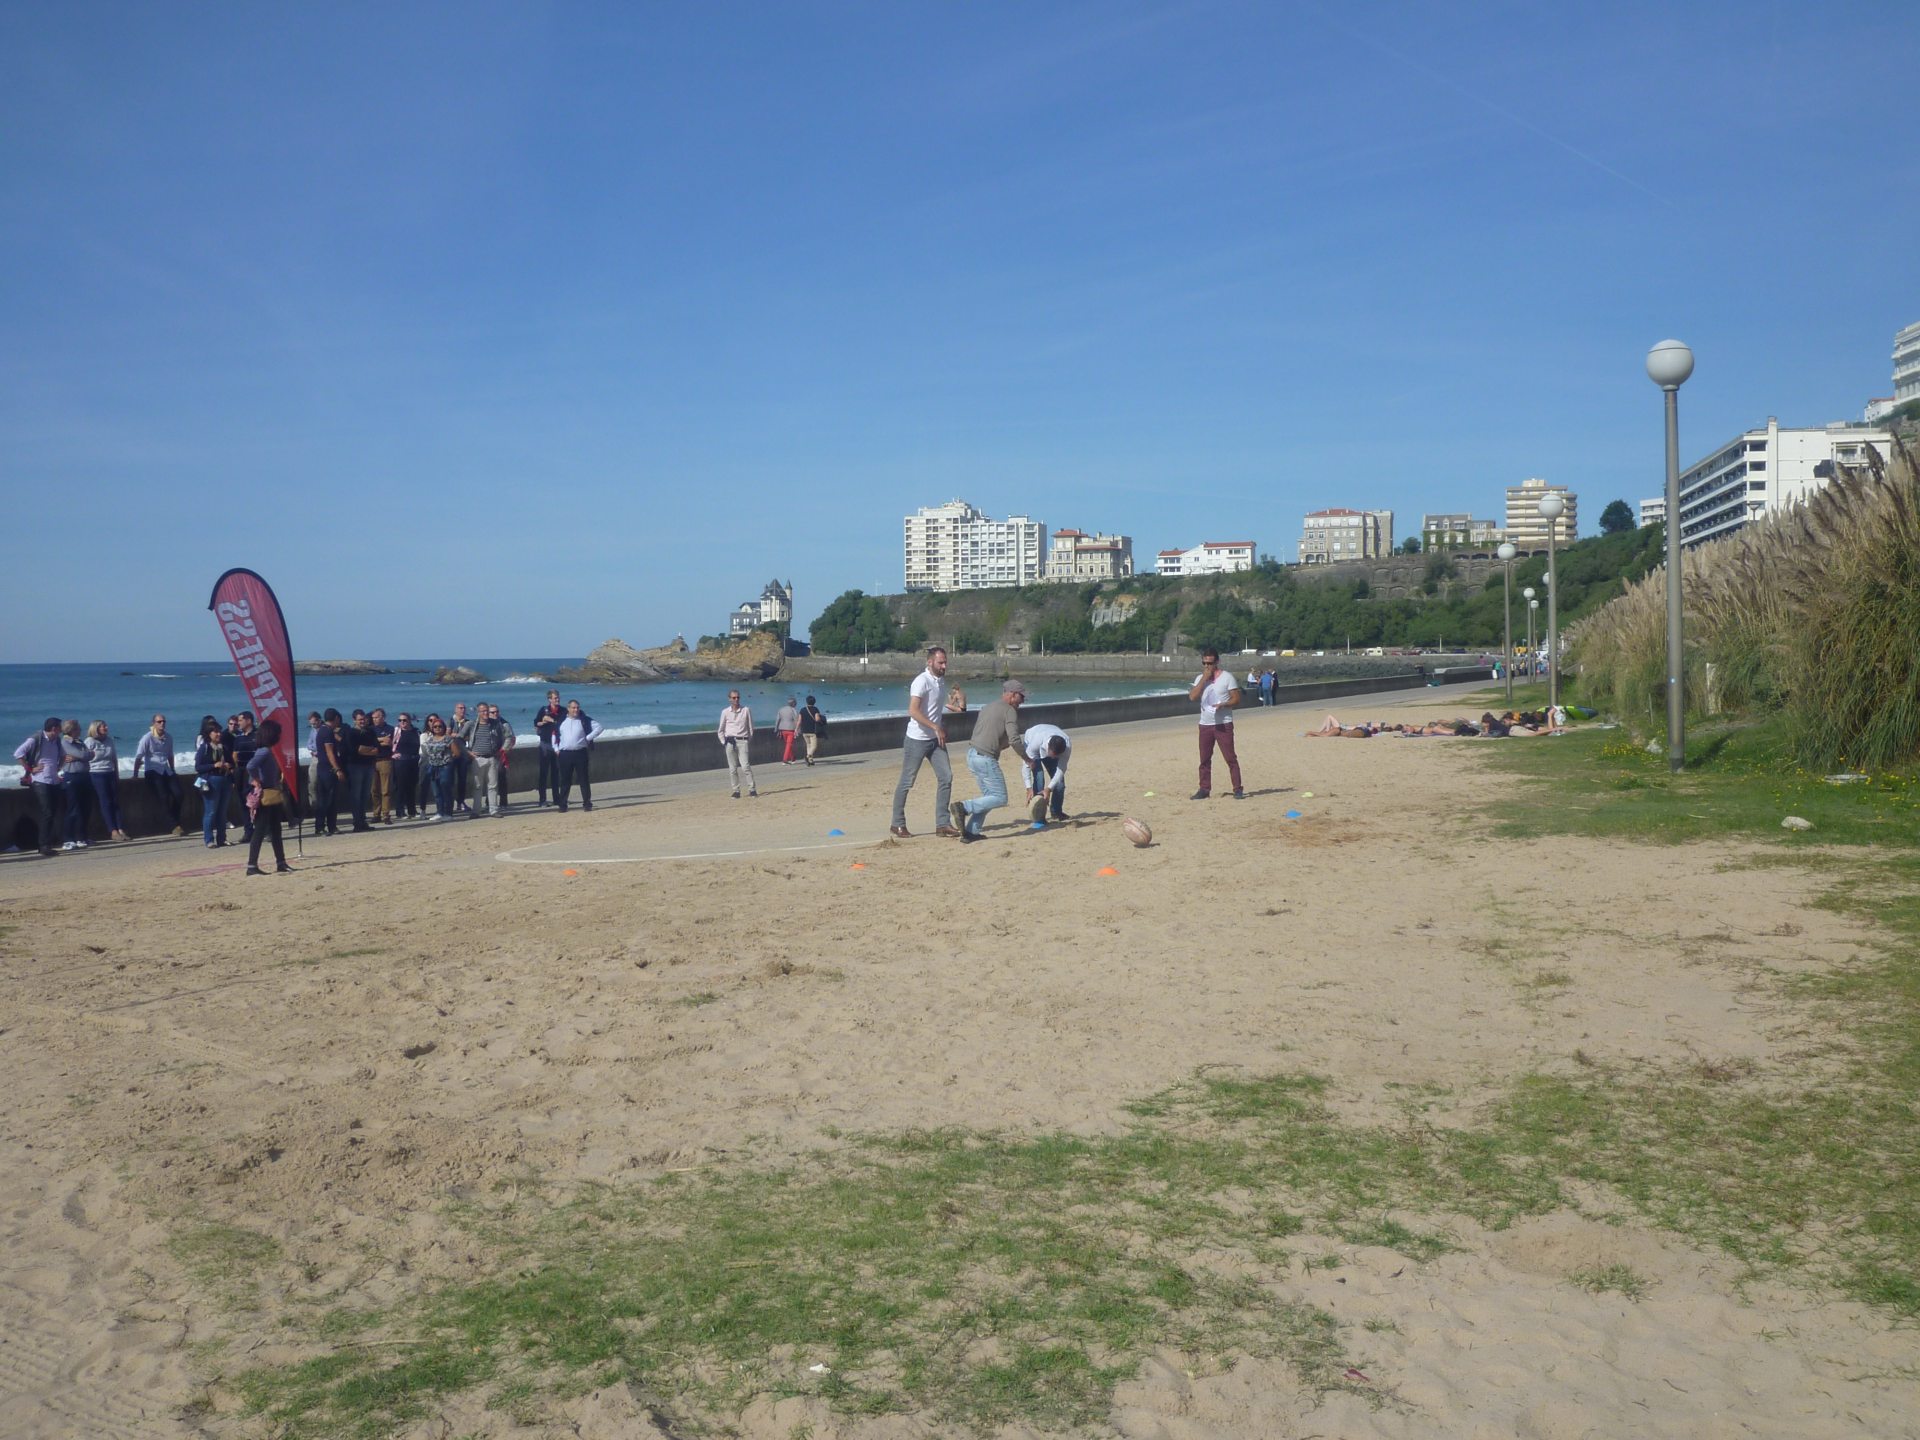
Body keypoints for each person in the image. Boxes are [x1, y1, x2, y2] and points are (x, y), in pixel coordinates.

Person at [890, 646, 964, 839]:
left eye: (945, 662)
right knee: (907, 782)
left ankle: (943, 823)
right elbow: (913, 711)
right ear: (930, 662)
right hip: (917, 739)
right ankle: (897, 823)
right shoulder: (921, 681)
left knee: (946, 777)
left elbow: (936, 706)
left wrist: (953, 712)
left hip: (935, 740)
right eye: (940, 662)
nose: (944, 666)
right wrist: (935, 726)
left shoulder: (940, 681)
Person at [950, 677, 1026, 843]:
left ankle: (971, 832)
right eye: (1022, 696)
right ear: (1012, 695)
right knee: (1000, 797)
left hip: (971, 755)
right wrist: (1028, 759)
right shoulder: (1010, 711)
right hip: (985, 758)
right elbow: (1014, 740)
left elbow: (991, 735)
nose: (1023, 700)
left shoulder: (987, 707)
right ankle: (963, 807)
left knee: (987, 798)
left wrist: (999, 746)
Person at [1189, 648, 1245, 800]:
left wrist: (1224, 704)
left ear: (1217, 662)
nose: (1207, 666)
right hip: (1205, 724)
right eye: (1204, 663)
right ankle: (1204, 789)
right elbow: (1193, 696)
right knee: (1204, 759)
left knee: (1230, 758)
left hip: (1223, 723)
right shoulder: (1200, 678)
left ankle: (1237, 789)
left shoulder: (1227, 677)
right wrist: (1203, 679)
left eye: (1210, 663)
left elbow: (1236, 699)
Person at [243, 718, 294, 875]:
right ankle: (252, 865)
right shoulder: (264, 751)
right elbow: (250, 766)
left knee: (276, 830)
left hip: (272, 792)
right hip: (266, 794)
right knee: (260, 830)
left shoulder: (269, 750)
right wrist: (257, 780)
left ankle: (281, 862)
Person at [15, 717, 66, 857]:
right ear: (54, 728)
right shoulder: (36, 738)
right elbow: (18, 753)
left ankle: (46, 843)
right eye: (59, 727)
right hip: (40, 779)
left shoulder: (57, 740)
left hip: (54, 779)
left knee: (53, 812)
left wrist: (58, 767)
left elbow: (63, 755)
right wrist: (31, 769)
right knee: (47, 812)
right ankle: (43, 845)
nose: (61, 730)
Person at [132, 713, 183, 836]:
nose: (162, 724)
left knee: (179, 794)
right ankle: (173, 825)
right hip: (152, 770)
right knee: (163, 797)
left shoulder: (168, 737)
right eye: (159, 722)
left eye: (163, 721)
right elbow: (139, 757)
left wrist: (173, 770)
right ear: (154, 723)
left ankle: (175, 820)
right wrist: (135, 774)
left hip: (166, 769)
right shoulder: (147, 738)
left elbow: (170, 755)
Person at [553, 700, 603, 812]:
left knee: (583, 779)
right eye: (573, 708)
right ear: (568, 708)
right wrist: (556, 749)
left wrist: (587, 738)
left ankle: (587, 803)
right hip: (565, 754)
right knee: (565, 780)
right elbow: (554, 734)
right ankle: (562, 805)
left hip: (580, 753)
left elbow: (599, 728)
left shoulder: (584, 719)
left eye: (577, 708)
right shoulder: (561, 720)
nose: (576, 710)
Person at [193, 714, 235, 848]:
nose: (218, 734)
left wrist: (229, 766)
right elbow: (198, 767)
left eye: (219, 731)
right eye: (215, 732)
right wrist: (213, 765)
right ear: (209, 734)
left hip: (225, 779)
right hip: (211, 781)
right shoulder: (205, 748)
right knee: (211, 811)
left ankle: (222, 838)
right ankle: (209, 839)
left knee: (222, 812)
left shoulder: (224, 748)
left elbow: (232, 763)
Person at [1021, 722, 1071, 824]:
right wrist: (1028, 788)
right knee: (1039, 778)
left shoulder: (1067, 747)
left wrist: (1048, 789)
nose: (1053, 758)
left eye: (1056, 756)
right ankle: (1038, 817)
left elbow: (1061, 769)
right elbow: (1026, 765)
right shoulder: (1036, 742)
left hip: (1049, 738)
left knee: (1060, 784)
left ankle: (1056, 812)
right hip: (1031, 739)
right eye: (1052, 755)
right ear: (1048, 747)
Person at [86, 721, 128, 840]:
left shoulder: (109, 740)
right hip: (96, 774)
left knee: (115, 801)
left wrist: (116, 774)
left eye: (106, 726)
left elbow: (114, 758)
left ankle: (120, 829)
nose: (106, 728)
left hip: (110, 772)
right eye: (103, 726)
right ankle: (113, 831)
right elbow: (85, 758)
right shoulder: (89, 742)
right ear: (96, 728)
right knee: (106, 802)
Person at [466, 703, 509, 816]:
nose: (485, 713)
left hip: (492, 758)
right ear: (478, 712)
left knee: (493, 786)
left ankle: (493, 810)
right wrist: (468, 752)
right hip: (478, 759)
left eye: (486, 711)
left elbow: (508, 736)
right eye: (483, 711)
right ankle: (476, 811)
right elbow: (459, 739)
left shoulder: (496, 724)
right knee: (477, 786)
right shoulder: (471, 725)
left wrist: (502, 750)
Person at [59, 719, 94, 850]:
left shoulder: (80, 742)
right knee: (73, 809)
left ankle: (82, 837)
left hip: (85, 776)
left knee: (86, 808)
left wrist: (84, 755)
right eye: (78, 728)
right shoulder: (64, 742)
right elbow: (82, 754)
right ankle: (68, 839)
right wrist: (84, 755)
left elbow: (90, 755)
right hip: (72, 777)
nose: (80, 730)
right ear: (72, 730)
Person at [419, 713, 460, 819]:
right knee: (436, 791)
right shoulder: (429, 740)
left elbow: (456, 753)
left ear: (443, 727)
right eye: (435, 727)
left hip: (445, 767)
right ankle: (439, 812)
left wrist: (448, 760)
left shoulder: (448, 739)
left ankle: (448, 813)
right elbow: (426, 753)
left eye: (440, 726)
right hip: (433, 767)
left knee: (446, 788)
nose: (437, 728)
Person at [717, 690, 757, 799]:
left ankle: (752, 789)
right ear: (729, 699)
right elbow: (720, 730)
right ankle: (736, 790)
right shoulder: (725, 712)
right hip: (730, 741)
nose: (736, 700)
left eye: (738, 697)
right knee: (732, 769)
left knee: (745, 766)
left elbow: (751, 727)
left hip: (743, 740)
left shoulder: (746, 710)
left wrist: (748, 739)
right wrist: (723, 742)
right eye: (734, 698)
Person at [342, 708, 377, 832]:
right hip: (355, 766)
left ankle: (362, 822)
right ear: (354, 720)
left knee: (365, 795)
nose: (363, 721)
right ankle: (357, 823)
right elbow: (355, 750)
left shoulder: (370, 732)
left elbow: (377, 749)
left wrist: (365, 750)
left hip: (368, 766)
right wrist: (368, 750)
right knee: (356, 796)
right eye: (360, 719)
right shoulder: (350, 733)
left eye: (364, 719)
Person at [312, 708, 345, 836]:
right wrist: (337, 769)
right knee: (327, 799)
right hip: (328, 769)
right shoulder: (327, 732)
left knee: (327, 799)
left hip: (323, 768)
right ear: (336, 718)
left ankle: (330, 826)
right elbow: (329, 752)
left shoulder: (324, 730)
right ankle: (322, 826)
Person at [228, 712, 259, 847]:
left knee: (256, 802)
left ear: (249, 721)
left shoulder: (258, 735)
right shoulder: (238, 737)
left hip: (253, 772)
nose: (238, 723)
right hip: (240, 771)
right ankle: (248, 831)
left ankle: (263, 830)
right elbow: (234, 755)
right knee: (243, 802)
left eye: (241, 720)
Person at [532, 689, 565, 806]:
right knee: (543, 773)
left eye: (558, 697)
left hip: (557, 745)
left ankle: (557, 798)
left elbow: (562, 724)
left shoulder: (563, 710)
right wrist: (542, 722)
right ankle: (542, 800)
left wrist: (551, 720)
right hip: (545, 744)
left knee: (556, 773)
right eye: (555, 698)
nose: (557, 699)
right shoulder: (543, 710)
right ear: (549, 699)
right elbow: (536, 723)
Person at [390, 712, 421, 820]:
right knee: (400, 787)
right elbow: (387, 743)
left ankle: (412, 810)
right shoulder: (396, 731)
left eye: (404, 720)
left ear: (409, 721)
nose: (402, 722)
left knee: (411, 787)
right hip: (400, 762)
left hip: (413, 761)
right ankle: (400, 811)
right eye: (400, 720)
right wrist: (392, 754)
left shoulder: (415, 731)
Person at [369, 707, 395, 824]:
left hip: (385, 760)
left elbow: (390, 742)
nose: (374, 719)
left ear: (383, 717)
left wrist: (380, 741)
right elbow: (370, 743)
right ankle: (376, 813)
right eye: (373, 717)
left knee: (386, 790)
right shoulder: (370, 729)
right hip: (372, 761)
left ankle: (386, 814)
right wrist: (380, 740)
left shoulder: (390, 729)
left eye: (377, 717)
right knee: (374, 790)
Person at [449, 702, 475, 813]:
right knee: (450, 780)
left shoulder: (468, 722)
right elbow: (446, 734)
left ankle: (461, 802)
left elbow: (471, 736)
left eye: (464, 708)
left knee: (462, 779)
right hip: (452, 754)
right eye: (460, 708)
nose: (462, 710)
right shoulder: (450, 721)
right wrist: (458, 735)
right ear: (455, 709)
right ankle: (449, 802)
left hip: (464, 753)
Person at [488, 704, 516, 811]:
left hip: (501, 755)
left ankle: (503, 802)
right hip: (489, 754)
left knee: (501, 778)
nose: (495, 714)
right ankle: (489, 803)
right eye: (492, 712)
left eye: (496, 712)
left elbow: (511, 738)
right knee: (489, 780)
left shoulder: (504, 724)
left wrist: (504, 750)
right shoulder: (485, 724)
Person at [799, 696, 826, 765]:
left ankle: (810, 761)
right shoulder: (815, 709)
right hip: (812, 730)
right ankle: (808, 756)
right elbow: (817, 719)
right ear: (814, 702)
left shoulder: (802, 709)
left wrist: (796, 729)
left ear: (807, 701)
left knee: (808, 745)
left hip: (804, 730)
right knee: (814, 746)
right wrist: (821, 719)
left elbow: (799, 720)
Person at [774, 696, 801, 765]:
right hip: (790, 729)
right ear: (794, 703)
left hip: (782, 729)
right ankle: (785, 759)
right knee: (789, 744)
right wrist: (798, 730)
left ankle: (793, 758)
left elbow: (777, 720)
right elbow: (796, 721)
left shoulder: (781, 709)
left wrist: (776, 729)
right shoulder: (793, 710)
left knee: (788, 744)